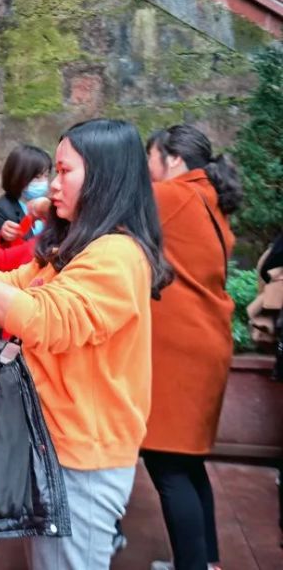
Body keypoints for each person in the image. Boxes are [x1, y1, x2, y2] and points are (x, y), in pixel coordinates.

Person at [0, 119, 172, 569]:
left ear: (103, 177)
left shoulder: (116, 255)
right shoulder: (80, 247)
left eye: (64, 172)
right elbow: (16, 282)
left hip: (83, 456)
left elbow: (45, 318)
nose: (52, 185)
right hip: (58, 445)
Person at [143, 125, 244, 570]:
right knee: (187, 461)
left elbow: (107, 214)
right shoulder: (208, 200)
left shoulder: (170, 197)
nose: (146, 173)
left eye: (149, 160)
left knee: (167, 466)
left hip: (178, 351)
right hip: (206, 344)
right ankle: (204, 562)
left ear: (173, 160)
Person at [0, 144, 52, 245]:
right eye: (37, 177)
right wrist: (4, 237)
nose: (43, 182)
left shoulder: (47, 206)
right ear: (18, 176)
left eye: (46, 176)